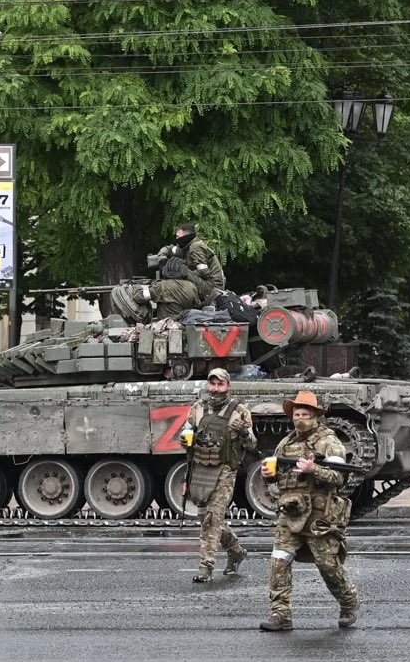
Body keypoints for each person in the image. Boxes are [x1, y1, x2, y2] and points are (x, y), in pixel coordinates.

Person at [259, 391, 359, 631]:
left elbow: (340, 478)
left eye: (305, 414)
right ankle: (280, 614)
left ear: (315, 416)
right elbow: (279, 480)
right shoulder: (286, 443)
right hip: (290, 511)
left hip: (319, 515)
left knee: (328, 566)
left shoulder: (329, 441)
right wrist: (269, 476)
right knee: (279, 562)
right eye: (296, 414)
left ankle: (348, 601)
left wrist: (315, 469)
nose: (300, 418)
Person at [180, 367, 257, 583]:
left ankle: (206, 566)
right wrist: (184, 439)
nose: (215, 389)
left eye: (220, 384)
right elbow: (186, 432)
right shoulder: (198, 408)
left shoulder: (239, 411)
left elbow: (252, 444)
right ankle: (236, 551)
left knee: (213, 517)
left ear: (228, 386)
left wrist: (242, 431)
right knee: (207, 517)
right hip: (201, 468)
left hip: (225, 470)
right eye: (212, 384)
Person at [157, 222, 225, 304]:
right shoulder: (185, 247)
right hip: (206, 284)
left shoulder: (196, 247)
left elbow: (204, 272)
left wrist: (183, 271)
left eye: (178, 237)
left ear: (186, 237)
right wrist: (162, 258)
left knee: (178, 269)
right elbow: (168, 249)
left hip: (213, 289)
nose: (177, 239)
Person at [131, 256, 200, 320]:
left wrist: (136, 287)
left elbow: (139, 297)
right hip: (186, 325)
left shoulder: (162, 286)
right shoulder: (192, 286)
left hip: (166, 326)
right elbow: (197, 306)